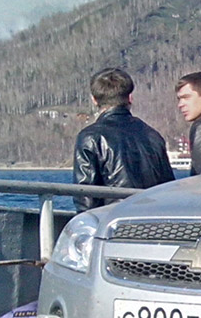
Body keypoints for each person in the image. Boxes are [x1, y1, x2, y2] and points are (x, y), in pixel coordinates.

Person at [72, 67, 176, 211]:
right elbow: (168, 187)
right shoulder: (153, 135)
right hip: (152, 217)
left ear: (94, 100)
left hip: (114, 218)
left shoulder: (90, 137)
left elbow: (85, 197)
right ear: (130, 98)